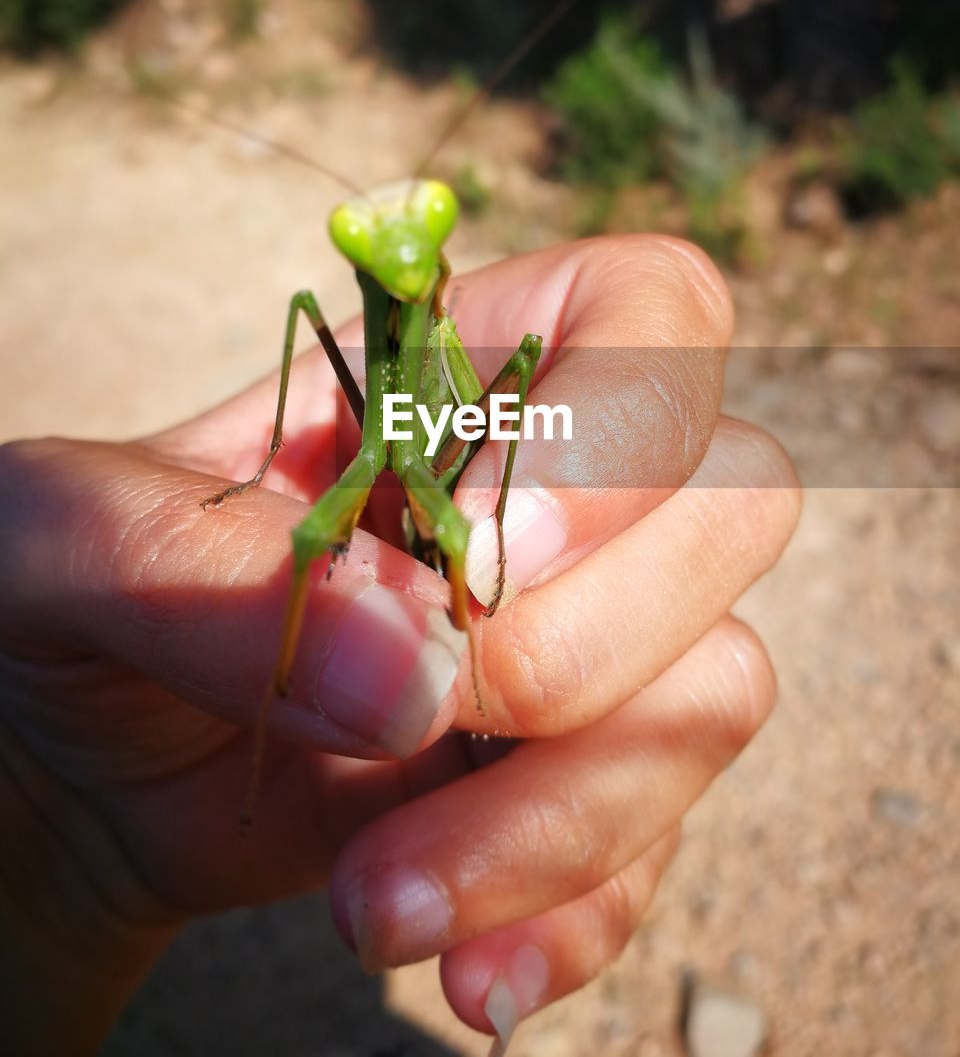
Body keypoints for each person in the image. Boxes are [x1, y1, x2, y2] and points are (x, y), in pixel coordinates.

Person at [0, 236, 800, 1055]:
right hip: (402, 516)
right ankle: (323, 723)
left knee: (521, 443)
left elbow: (501, 395)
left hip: (447, 502)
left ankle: (487, 639)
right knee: (316, 534)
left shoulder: (450, 335)